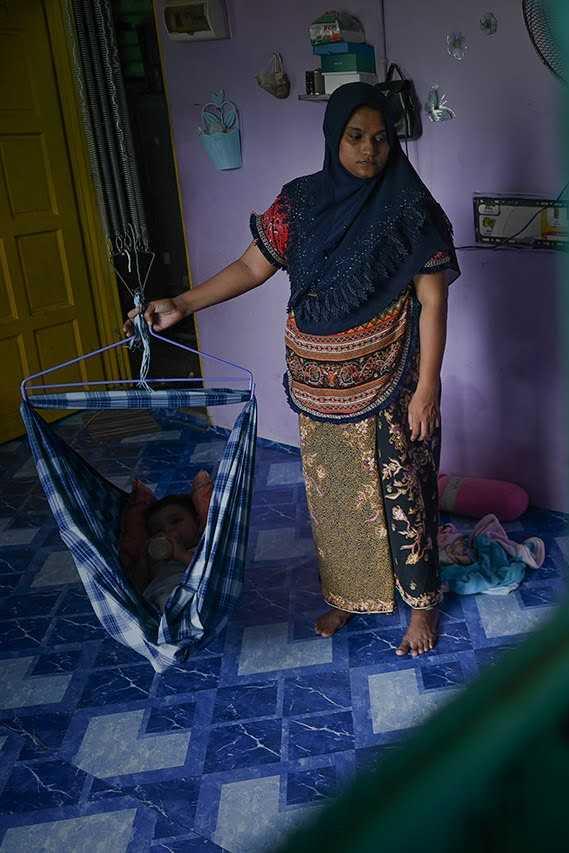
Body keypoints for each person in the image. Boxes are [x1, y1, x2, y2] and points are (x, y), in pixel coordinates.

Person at [127, 84, 459, 656]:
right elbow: (252, 266)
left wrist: (428, 385)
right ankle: (350, 595)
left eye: (380, 138)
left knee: (404, 491)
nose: (369, 150)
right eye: (355, 137)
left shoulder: (411, 208)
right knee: (335, 497)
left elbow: (432, 300)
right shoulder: (299, 203)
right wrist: (182, 303)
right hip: (317, 385)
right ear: (334, 138)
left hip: (391, 377)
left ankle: (422, 605)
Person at [127, 495, 200, 611]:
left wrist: (181, 555)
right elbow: (138, 586)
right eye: (158, 530)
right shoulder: (158, 560)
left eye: (175, 521)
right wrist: (144, 560)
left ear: (198, 522)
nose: (168, 531)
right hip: (159, 607)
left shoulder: (202, 548)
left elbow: (212, 573)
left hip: (196, 599)